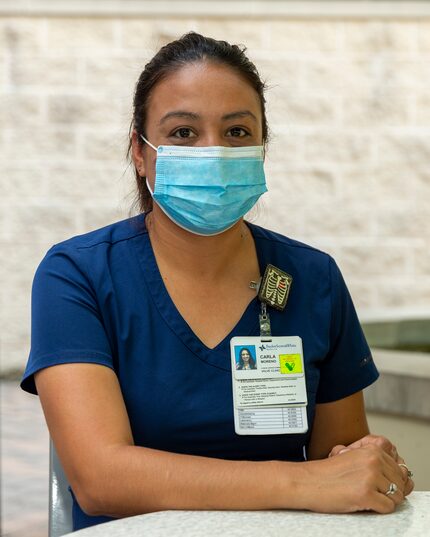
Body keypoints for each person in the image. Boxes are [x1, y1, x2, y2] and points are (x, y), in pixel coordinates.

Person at [21, 32, 413, 532]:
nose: (214, 152)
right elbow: (102, 480)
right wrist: (305, 484)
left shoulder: (312, 280)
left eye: (237, 133)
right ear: (140, 155)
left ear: (262, 149)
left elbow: (342, 464)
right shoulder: (78, 276)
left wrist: (368, 472)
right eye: (183, 132)